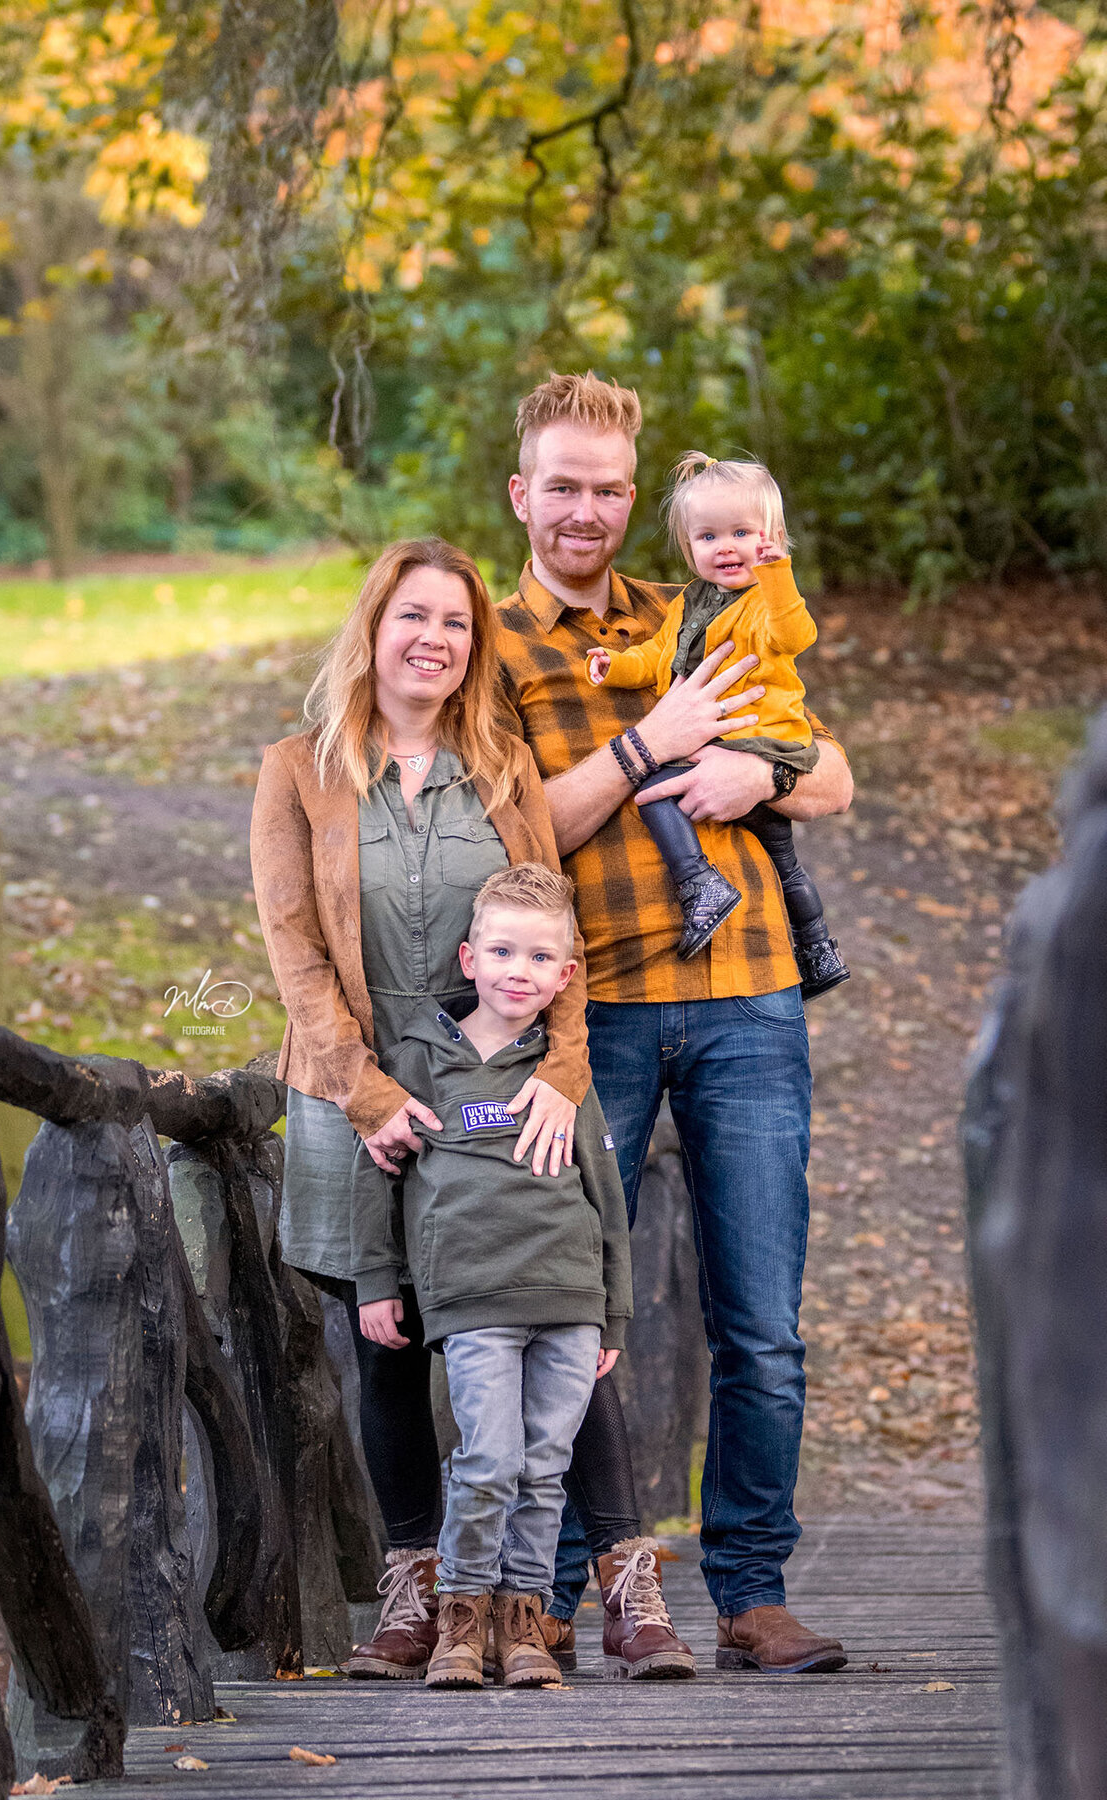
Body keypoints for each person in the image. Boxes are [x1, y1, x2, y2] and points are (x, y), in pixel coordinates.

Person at [248, 536, 664, 1682]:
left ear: (474, 647)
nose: (432, 640)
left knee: (556, 1309)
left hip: (505, 1083)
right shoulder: (300, 768)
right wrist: (365, 1089)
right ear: (373, 629)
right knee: (388, 1344)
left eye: (456, 624)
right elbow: (292, 946)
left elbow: (559, 921)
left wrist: (565, 1073)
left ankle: (618, 1581)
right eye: (411, 617)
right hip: (359, 1091)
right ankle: (421, 1587)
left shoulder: (503, 765)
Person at [496, 371, 853, 1675]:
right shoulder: (492, 640)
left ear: (630, 497)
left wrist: (769, 768)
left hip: (749, 999)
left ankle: (749, 1592)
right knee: (554, 1308)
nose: (586, 510)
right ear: (522, 494)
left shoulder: (708, 596)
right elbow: (513, 827)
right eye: (564, 487)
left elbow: (837, 773)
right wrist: (648, 745)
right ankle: (545, 1588)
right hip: (593, 1020)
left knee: (760, 1322)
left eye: (607, 488)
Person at [350, 864, 645, 1689]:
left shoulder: (562, 1074)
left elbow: (606, 1195)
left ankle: (524, 1627)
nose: (520, 970)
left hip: (568, 1298)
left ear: (565, 976)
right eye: (504, 951)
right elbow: (374, 1171)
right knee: (488, 1458)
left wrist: (613, 1317)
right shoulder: (420, 1057)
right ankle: (461, 1623)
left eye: (540, 957)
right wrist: (377, 1278)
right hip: (473, 1297)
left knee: (545, 1465)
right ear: (468, 956)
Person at [586, 452, 849, 998]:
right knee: (784, 861)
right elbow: (658, 654)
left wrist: (778, 573)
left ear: (770, 537)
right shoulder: (687, 605)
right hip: (731, 745)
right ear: (689, 548)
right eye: (707, 537)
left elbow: (795, 634)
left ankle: (698, 881)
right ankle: (819, 949)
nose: (725, 546)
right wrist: (617, 666)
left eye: (741, 533)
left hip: (761, 742)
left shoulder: (762, 602)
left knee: (655, 787)